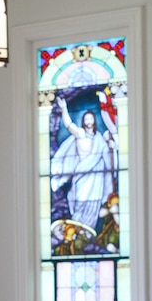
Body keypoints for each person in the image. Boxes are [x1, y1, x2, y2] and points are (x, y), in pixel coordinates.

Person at [51, 91, 117, 231]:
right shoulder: (80, 134)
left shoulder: (100, 139)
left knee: (93, 204)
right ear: (83, 121)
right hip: (80, 176)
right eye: (86, 119)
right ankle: (76, 230)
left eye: (90, 118)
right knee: (79, 202)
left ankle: (88, 235)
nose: (88, 121)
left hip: (96, 179)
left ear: (94, 120)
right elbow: (69, 124)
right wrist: (64, 109)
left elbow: (108, 161)